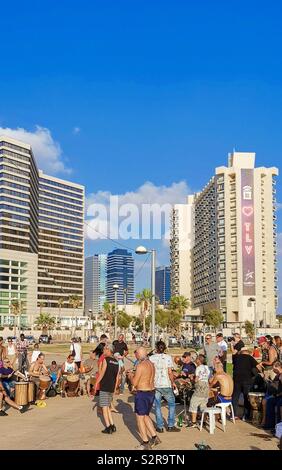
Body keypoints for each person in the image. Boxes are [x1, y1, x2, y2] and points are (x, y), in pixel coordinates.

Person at [127, 347, 161, 450]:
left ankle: (145, 443)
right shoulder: (151, 364)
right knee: (146, 415)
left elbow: (135, 383)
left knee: (139, 418)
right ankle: (155, 437)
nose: (135, 356)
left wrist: (130, 376)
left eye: (136, 354)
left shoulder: (140, 365)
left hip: (143, 393)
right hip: (151, 392)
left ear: (139, 354)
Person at [149, 340, 180, 433]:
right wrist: (173, 382)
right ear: (164, 348)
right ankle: (170, 425)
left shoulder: (152, 358)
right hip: (166, 383)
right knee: (171, 404)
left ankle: (160, 426)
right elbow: (170, 372)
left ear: (157, 348)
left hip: (156, 384)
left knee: (157, 406)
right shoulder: (168, 357)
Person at [94, 344, 120, 434]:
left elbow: (102, 373)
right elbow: (117, 377)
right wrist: (115, 387)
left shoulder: (106, 360)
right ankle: (113, 425)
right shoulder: (116, 362)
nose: (104, 351)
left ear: (109, 350)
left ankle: (108, 427)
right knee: (108, 406)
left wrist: (96, 383)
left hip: (105, 386)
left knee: (104, 407)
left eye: (105, 349)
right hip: (111, 387)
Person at [232, 347, 259, 420]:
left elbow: (234, 366)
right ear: (248, 352)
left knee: (235, 397)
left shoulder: (236, 357)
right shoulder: (250, 358)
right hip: (247, 379)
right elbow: (257, 367)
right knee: (246, 397)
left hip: (236, 379)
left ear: (241, 352)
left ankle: (234, 414)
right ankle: (246, 416)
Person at [187, 354, 210, 428]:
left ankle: (193, 422)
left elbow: (196, 379)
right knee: (203, 405)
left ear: (199, 360)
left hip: (200, 386)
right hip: (206, 386)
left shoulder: (198, 368)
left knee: (193, 403)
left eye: (196, 359)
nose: (195, 360)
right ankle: (204, 421)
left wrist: (191, 378)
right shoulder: (206, 367)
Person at [263, 361, 282, 430]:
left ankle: (279, 427)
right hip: (276, 395)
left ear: (279, 367)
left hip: (279, 395)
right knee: (269, 402)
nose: (273, 371)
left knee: (279, 404)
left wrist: (277, 395)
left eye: (274, 369)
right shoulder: (278, 375)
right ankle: (269, 425)